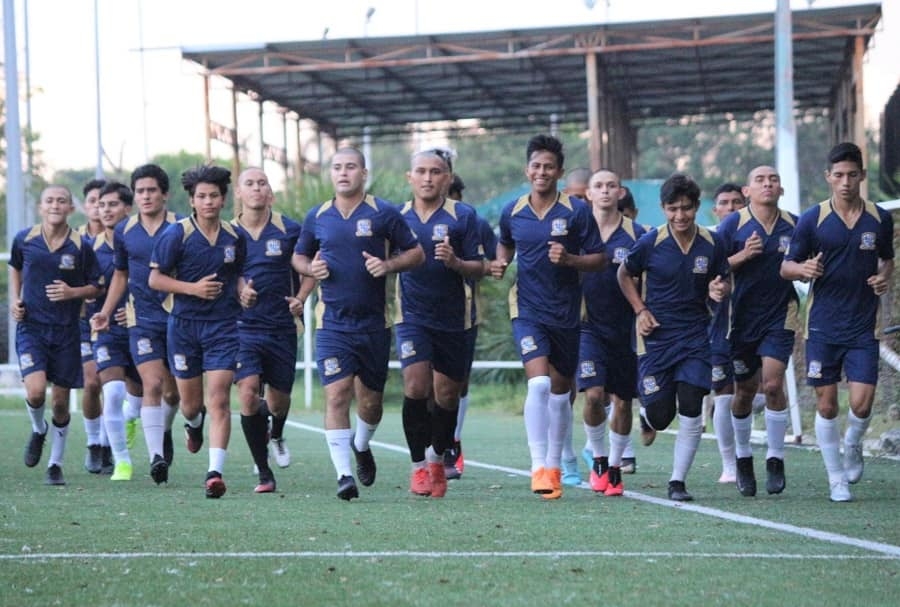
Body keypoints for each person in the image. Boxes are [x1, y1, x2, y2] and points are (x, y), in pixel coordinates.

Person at [292, 147, 425, 500]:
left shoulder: (384, 213)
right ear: (330, 174)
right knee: (336, 395)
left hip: (373, 325)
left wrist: (389, 266)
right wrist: (309, 269)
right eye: (337, 167)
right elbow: (299, 256)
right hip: (333, 325)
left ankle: (362, 445)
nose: (343, 173)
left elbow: (416, 253)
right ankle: (343, 476)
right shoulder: (317, 216)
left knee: (370, 404)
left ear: (363, 173)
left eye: (351, 167)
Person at [490, 134, 605, 500]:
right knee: (538, 385)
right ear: (527, 170)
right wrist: (501, 260)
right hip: (527, 309)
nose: (542, 172)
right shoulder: (513, 210)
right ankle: (538, 465)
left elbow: (599, 258)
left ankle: (554, 467)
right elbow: (505, 241)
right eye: (536, 166)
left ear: (560, 172)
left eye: (549, 167)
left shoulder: (576, 211)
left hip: (567, 312)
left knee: (560, 394)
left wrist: (570, 260)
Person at [781, 142, 894, 502]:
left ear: (862, 176)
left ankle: (853, 444)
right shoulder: (813, 219)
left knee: (861, 404)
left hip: (863, 323)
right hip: (822, 324)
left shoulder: (880, 218)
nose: (845, 182)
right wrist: (803, 268)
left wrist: (884, 275)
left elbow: (887, 259)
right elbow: (786, 266)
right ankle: (836, 479)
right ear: (828, 177)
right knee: (827, 405)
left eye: (852, 175)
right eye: (839, 175)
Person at [617, 173, 730, 502]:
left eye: (686, 208)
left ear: (697, 207)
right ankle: (647, 415)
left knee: (692, 404)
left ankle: (677, 482)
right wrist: (640, 310)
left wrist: (719, 289)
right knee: (662, 414)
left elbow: (723, 278)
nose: (680, 216)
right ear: (663, 209)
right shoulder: (651, 243)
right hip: (656, 339)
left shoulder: (712, 243)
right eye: (672, 209)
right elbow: (624, 274)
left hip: (695, 335)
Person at [148, 165, 246, 498]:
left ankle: (214, 473)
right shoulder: (175, 234)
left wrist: (245, 290)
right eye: (201, 196)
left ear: (223, 199)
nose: (208, 201)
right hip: (184, 327)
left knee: (218, 398)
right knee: (190, 405)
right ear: (192, 200)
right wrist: (193, 288)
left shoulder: (235, 236)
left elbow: (239, 276)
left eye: (214, 196)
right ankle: (192, 425)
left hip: (223, 327)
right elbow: (155, 280)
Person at [396, 149, 484, 498]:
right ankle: (418, 466)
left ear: (448, 177)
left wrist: (456, 262)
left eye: (436, 172)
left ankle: (437, 457)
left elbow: (480, 268)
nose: (428, 178)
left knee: (447, 394)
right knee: (416, 387)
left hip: (453, 320)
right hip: (412, 318)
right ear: (410, 177)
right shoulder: (397, 217)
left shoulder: (464, 216)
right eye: (421, 171)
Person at [91, 164, 181, 485]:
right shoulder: (126, 232)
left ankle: (167, 429)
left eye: (151, 190)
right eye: (140, 191)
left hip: (179, 320)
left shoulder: (182, 227)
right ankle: (156, 457)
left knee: (176, 395)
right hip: (141, 322)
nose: (145, 196)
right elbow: (120, 274)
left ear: (164, 194)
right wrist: (105, 310)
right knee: (152, 384)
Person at [12, 185, 103, 485]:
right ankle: (39, 430)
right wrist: (16, 299)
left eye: (61, 200)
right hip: (32, 328)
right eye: (49, 200)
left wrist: (72, 292)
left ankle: (55, 463)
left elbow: (96, 286)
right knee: (36, 391)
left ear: (70, 208)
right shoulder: (24, 239)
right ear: (41, 206)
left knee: (61, 403)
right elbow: (15, 267)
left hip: (66, 332)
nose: (55, 205)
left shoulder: (81, 246)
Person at [718, 167, 799, 497]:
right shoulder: (732, 225)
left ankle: (776, 459)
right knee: (745, 392)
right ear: (747, 191)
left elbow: (809, 260)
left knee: (773, 383)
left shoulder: (795, 224)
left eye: (774, 179)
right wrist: (742, 256)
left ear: (781, 189)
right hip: (740, 320)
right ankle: (743, 457)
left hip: (781, 313)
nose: (768, 184)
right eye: (761, 180)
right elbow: (710, 264)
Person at [231, 167, 312, 493]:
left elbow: (311, 267)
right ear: (238, 192)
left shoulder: (290, 230)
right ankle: (265, 472)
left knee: (278, 401)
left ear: (270, 193)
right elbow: (220, 272)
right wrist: (239, 289)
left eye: (261, 183)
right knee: (248, 393)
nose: (256, 188)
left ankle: (276, 431)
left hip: (281, 326)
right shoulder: (227, 233)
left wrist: (301, 298)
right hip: (240, 328)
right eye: (249, 183)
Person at [577, 168, 646, 496]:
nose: (605, 191)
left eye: (611, 185)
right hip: (587, 326)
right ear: (588, 193)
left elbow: (651, 278)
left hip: (626, 328)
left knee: (623, 401)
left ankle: (616, 466)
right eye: (598, 186)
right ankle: (599, 458)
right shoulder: (577, 230)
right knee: (593, 395)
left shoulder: (639, 234)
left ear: (620, 192)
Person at [91, 181, 143, 481]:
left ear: (127, 207)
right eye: (101, 205)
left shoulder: (140, 242)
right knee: (111, 391)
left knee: (142, 397)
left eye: (112, 204)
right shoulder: (90, 248)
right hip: (107, 330)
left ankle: (132, 418)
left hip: (142, 327)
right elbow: (86, 286)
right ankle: (121, 462)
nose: (106, 210)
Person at [706, 182, 746, 483]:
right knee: (723, 393)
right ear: (715, 210)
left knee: (762, 387)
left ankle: (759, 452)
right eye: (724, 203)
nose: (731, 208)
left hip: (754, 324)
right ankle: (729, 464)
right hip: (717, 326)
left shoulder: (759, 235)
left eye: (736, 202)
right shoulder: (708, 242)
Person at [78, 179, 110, 474]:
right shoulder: (75, 241)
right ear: (85, 206)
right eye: (92, 201)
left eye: (104, 201)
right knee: (91, 382)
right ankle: (94, 444)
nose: (99, 206)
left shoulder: (122, 238)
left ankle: (111, 442)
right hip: (82, 322)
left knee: (119, 389)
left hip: (120, 322)